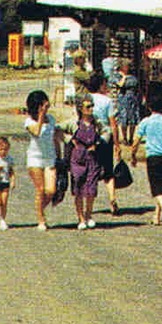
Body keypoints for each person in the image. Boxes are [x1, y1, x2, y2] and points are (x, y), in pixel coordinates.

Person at [135, 90, 162, 229]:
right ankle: (156, 216)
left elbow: (136, 140)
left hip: (153, 157)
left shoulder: (146, 122)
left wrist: (133, 155)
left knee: (156, 189)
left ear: (149, 106)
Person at [23, 89, 62, 231]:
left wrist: (59, 155)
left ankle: (39, 209)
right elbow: (37, 133)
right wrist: (40, 116)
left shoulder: (51, 119)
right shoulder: (29, 121)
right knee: (40, 189)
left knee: (51, 190)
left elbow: (55, 138)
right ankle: (41, 219)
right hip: (35, 159)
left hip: (49, 157)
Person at [85, 74, 119, 215]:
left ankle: (89, 205)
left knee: (91, 171)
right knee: (108, 171)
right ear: (100, 85)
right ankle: (112, 199)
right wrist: (117, 143)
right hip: (105, 138)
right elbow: (113, 123)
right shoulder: (107, 101)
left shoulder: (85, 99)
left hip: (88, 137)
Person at [68, 95, 104, 230]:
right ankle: (81, 218)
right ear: (81, 109)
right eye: (88, 106)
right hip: (78, 158)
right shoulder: (74, 123)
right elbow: (60, 129)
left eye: (92, 106)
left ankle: (89, 215)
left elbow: (107, 132)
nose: (91, 109)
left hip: (93, 158)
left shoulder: (97, 123)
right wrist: (71, 140)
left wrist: (99, 143)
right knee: (78, 186)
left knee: (91, 188)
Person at [114, 75, 143, 166]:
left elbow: (139, 88)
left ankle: (130, 138)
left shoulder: (134, 77)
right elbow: (119, 86)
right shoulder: (118, 76)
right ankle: (125, 138)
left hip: (133, 98)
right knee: (124, 119)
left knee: (132, 119)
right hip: (124, 99)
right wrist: (124, 78)